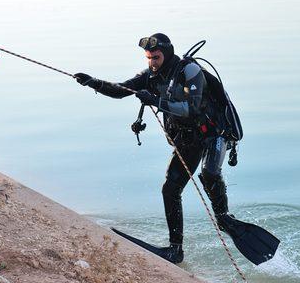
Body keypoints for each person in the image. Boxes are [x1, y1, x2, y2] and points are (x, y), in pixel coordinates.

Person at [74, 33, 273, 264]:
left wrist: (156, 101)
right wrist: (93, 83)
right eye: (148, 58)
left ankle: (224, 217)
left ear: (166, 54)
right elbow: (122, 90)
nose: (152, 62)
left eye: (155, 57)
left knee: (209, 174)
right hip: (188, 140)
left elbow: (191, 107)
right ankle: (175, 250)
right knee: (170, 189)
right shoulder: (150, 75)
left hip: (213, 134)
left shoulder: (189, 71)